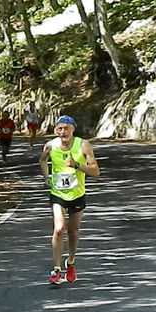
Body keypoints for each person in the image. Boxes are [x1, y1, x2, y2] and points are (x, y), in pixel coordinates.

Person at [39, 115, 100, 285]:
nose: (63, 131)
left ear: (73, 129)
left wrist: (77, 165)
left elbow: (96, 171)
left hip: (77, 194)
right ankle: (56, 270)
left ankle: (71, 263)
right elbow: (42, 160)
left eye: (66, 128)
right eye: (59, 128)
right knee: (59, 228)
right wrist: (46, 177)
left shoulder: (83, 145)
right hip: (58, 193)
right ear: (55, 130)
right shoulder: (50, 146)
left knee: (73, 231)